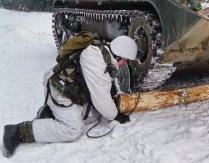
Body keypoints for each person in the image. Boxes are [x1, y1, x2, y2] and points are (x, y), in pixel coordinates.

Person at [2, 35, 138, 158]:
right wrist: (115, 115)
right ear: (118, 56)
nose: (125, 64)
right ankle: (18, 131)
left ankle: (50, 113)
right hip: (60, 93)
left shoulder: (102, 55)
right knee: (73, 130)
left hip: (72, 94)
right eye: (125, 61)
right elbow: (100, 97)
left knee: (96, 115)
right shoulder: (95, 62)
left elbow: (103, 85)